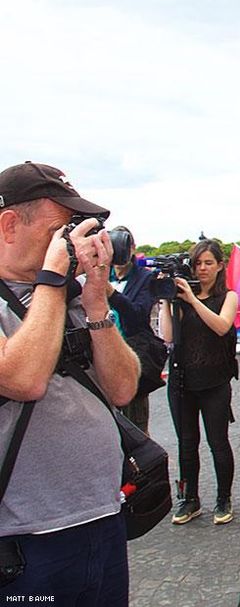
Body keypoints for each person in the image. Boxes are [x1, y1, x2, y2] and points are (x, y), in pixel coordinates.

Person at [0, 162, 139, 604]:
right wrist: (52, 279)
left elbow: (123, 390)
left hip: (103, 517)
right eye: (62, 229)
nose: (74, 242)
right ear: (8, 225)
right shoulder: (53, 289)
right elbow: (23, 379)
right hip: (24, 540)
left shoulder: (70, 295)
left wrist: (96, 304)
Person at [159, 238, 239, 525]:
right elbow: (167, 337)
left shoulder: (227, 296)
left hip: (215, 380)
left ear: (220, 266)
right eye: (197, 263)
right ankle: (189, 498)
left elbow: (222, 326)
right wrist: (166, 303)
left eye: (208, 263)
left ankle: (223, 498)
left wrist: (193, 300)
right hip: (182, 380)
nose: (202, 269)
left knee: (218, 442)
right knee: (186, 443)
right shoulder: (180, 297)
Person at [107, 225, 159, 434]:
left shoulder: (145, 277)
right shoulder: (101, 274)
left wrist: (112, 294)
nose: (121, 252)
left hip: (132, 355)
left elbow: (138, 315)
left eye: (125, 246)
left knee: (136, 427)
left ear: (133, 248)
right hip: (104, 355)